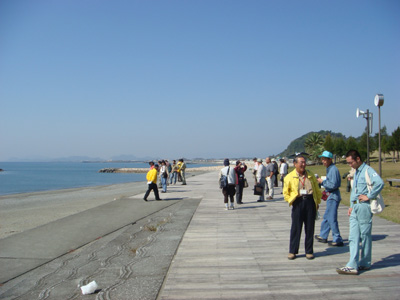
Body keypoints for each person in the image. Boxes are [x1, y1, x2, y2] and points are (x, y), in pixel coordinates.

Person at [336, 150, 384, 275]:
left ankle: (365, 262)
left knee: (365, 235)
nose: (349, 165)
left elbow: (379, 183)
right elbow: (355, 191)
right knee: (353, 236)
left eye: (351, 162)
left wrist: (369, 196)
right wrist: (351, 205)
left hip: (364, 207)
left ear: (358, 159)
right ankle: (352, 263)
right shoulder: (356, 172)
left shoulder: (367, 170)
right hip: (356, 206)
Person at [283, 155, 321, 260]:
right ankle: (293, 251)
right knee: (296, 228)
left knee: (310, 228)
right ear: (295, 164)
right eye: (301, 163)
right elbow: (286, 193)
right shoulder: (289, 177)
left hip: (310, 201)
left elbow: (317, 189)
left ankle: (309, 251)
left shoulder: (310, 175)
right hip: (298, 202)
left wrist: (317, 202)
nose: (303, 165)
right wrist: (291, 199)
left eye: (304, 162)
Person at [314, 151, 344, 247]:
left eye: (324, 159)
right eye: (322, 159)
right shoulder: (330, 169)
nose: (323, 161)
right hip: (331, 195)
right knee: (327, 217)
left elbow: (333, 185)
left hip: (333, 196)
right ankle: (323, 235)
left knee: (331, 218)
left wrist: (322, 182)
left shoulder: (333, 170)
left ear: (330, 159)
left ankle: (337, 238)